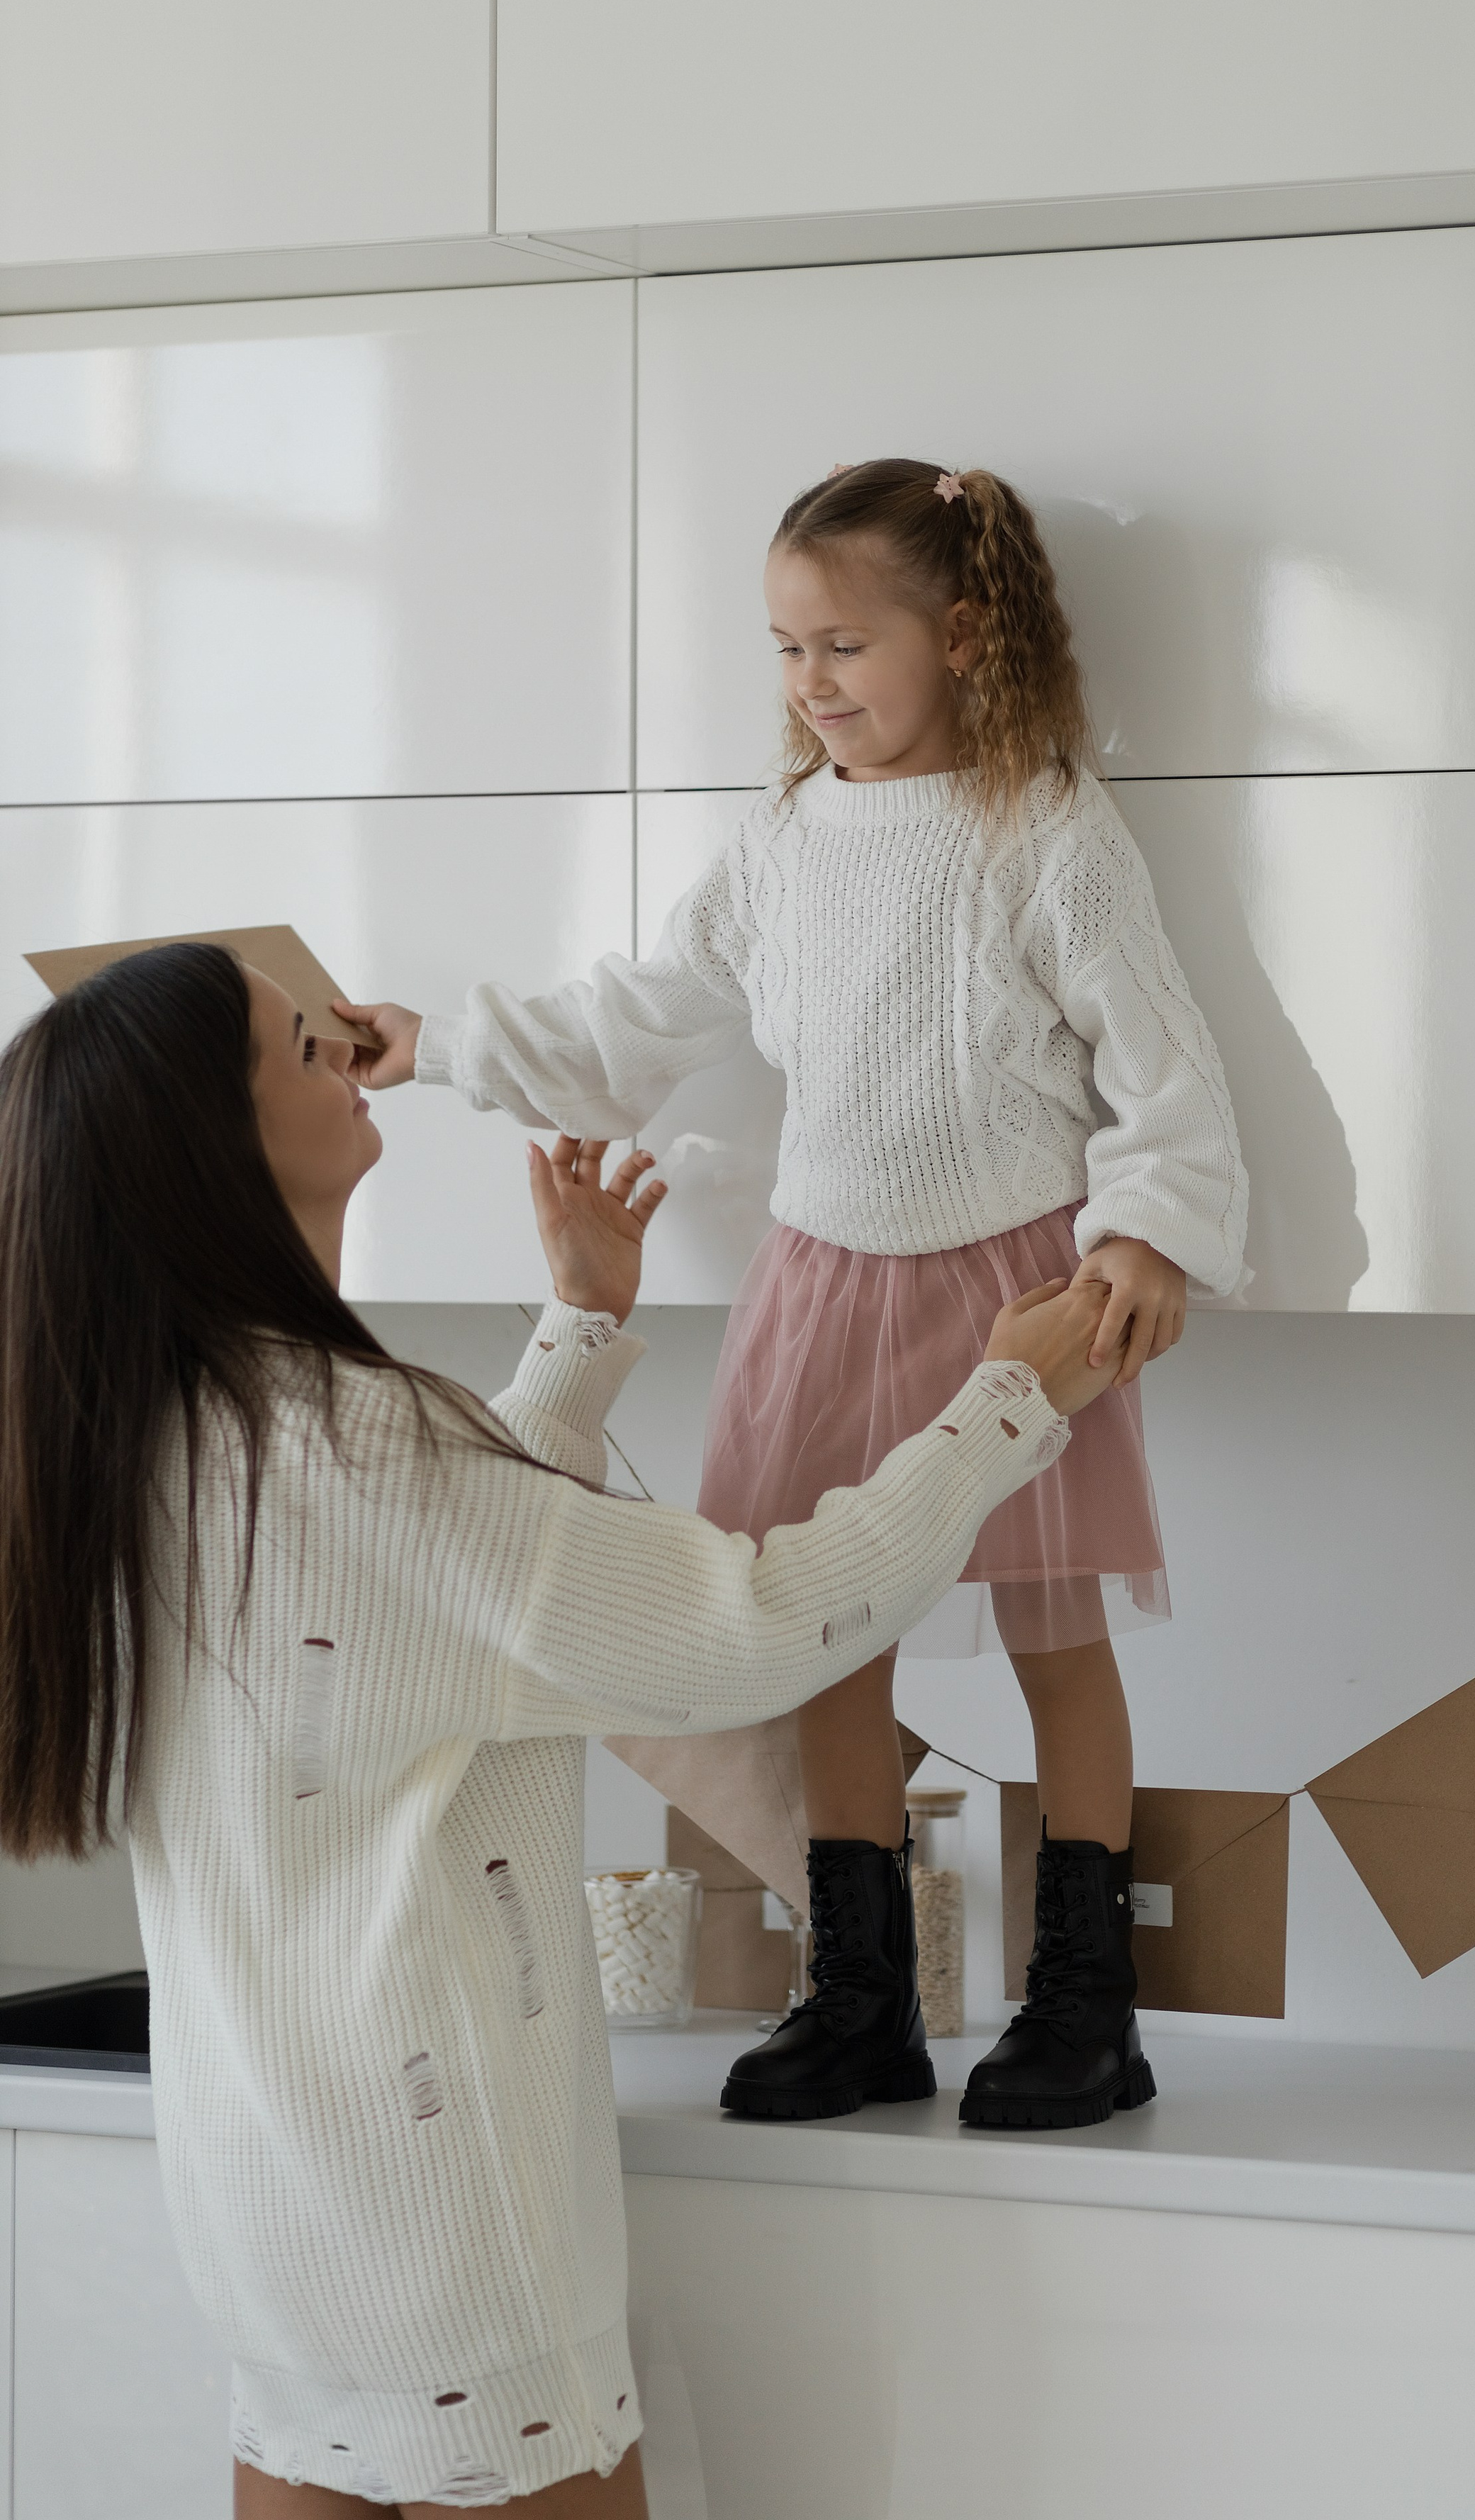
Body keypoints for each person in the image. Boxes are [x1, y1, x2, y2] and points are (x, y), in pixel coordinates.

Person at [0, 939, 1117, 2516]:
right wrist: (1009, 1401)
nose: (341, 1047)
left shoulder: (146, 1445)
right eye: (299, 1047)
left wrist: (580, 1329)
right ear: (217, 1149)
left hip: (269, 2236)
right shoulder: (365, 1450)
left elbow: (432, 1609)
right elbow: (757, 1625)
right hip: (455, 2251)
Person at [341, 457, 1247, 2133]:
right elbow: (632, 1021)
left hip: (1013, 1292)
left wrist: (1145, 1233)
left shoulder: (1044, 827)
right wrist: (440, 1045)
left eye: (841, 646)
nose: (809, 684)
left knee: (1056, 1643)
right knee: (820, 1640)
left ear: (959, 636)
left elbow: (1158, 1060)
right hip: (821, 1290)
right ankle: (859, 1999)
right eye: (783, 650)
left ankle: (1084, 2006)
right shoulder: (776, 843)